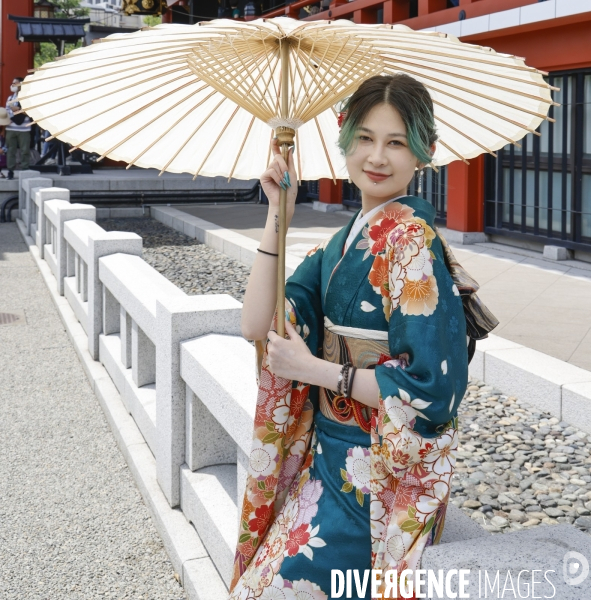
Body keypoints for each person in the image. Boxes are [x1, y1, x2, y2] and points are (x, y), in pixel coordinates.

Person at [231, 74, 495, 600]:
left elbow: (428, 389)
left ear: (426, 151)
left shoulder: (411, 244)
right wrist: (275, 214)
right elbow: (256, 326)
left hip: (373, 479)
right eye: (365, 137)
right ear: (345, 139)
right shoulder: (339, 246)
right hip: (324, 465)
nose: (377, 156)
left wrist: (315, 371)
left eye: (396, 142)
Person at [5, 77, 33, 180]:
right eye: (12, 83)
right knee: (10, 150)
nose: (12, 85)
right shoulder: (10, 98)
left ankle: (25, 168)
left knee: (25, 149)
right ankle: (10, 170)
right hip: (11, 128)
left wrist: (18, 109)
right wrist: (15, 111)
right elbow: (7, 111)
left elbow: (30, 111)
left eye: (15, 83)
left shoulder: (27, 98)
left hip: (24, 128)